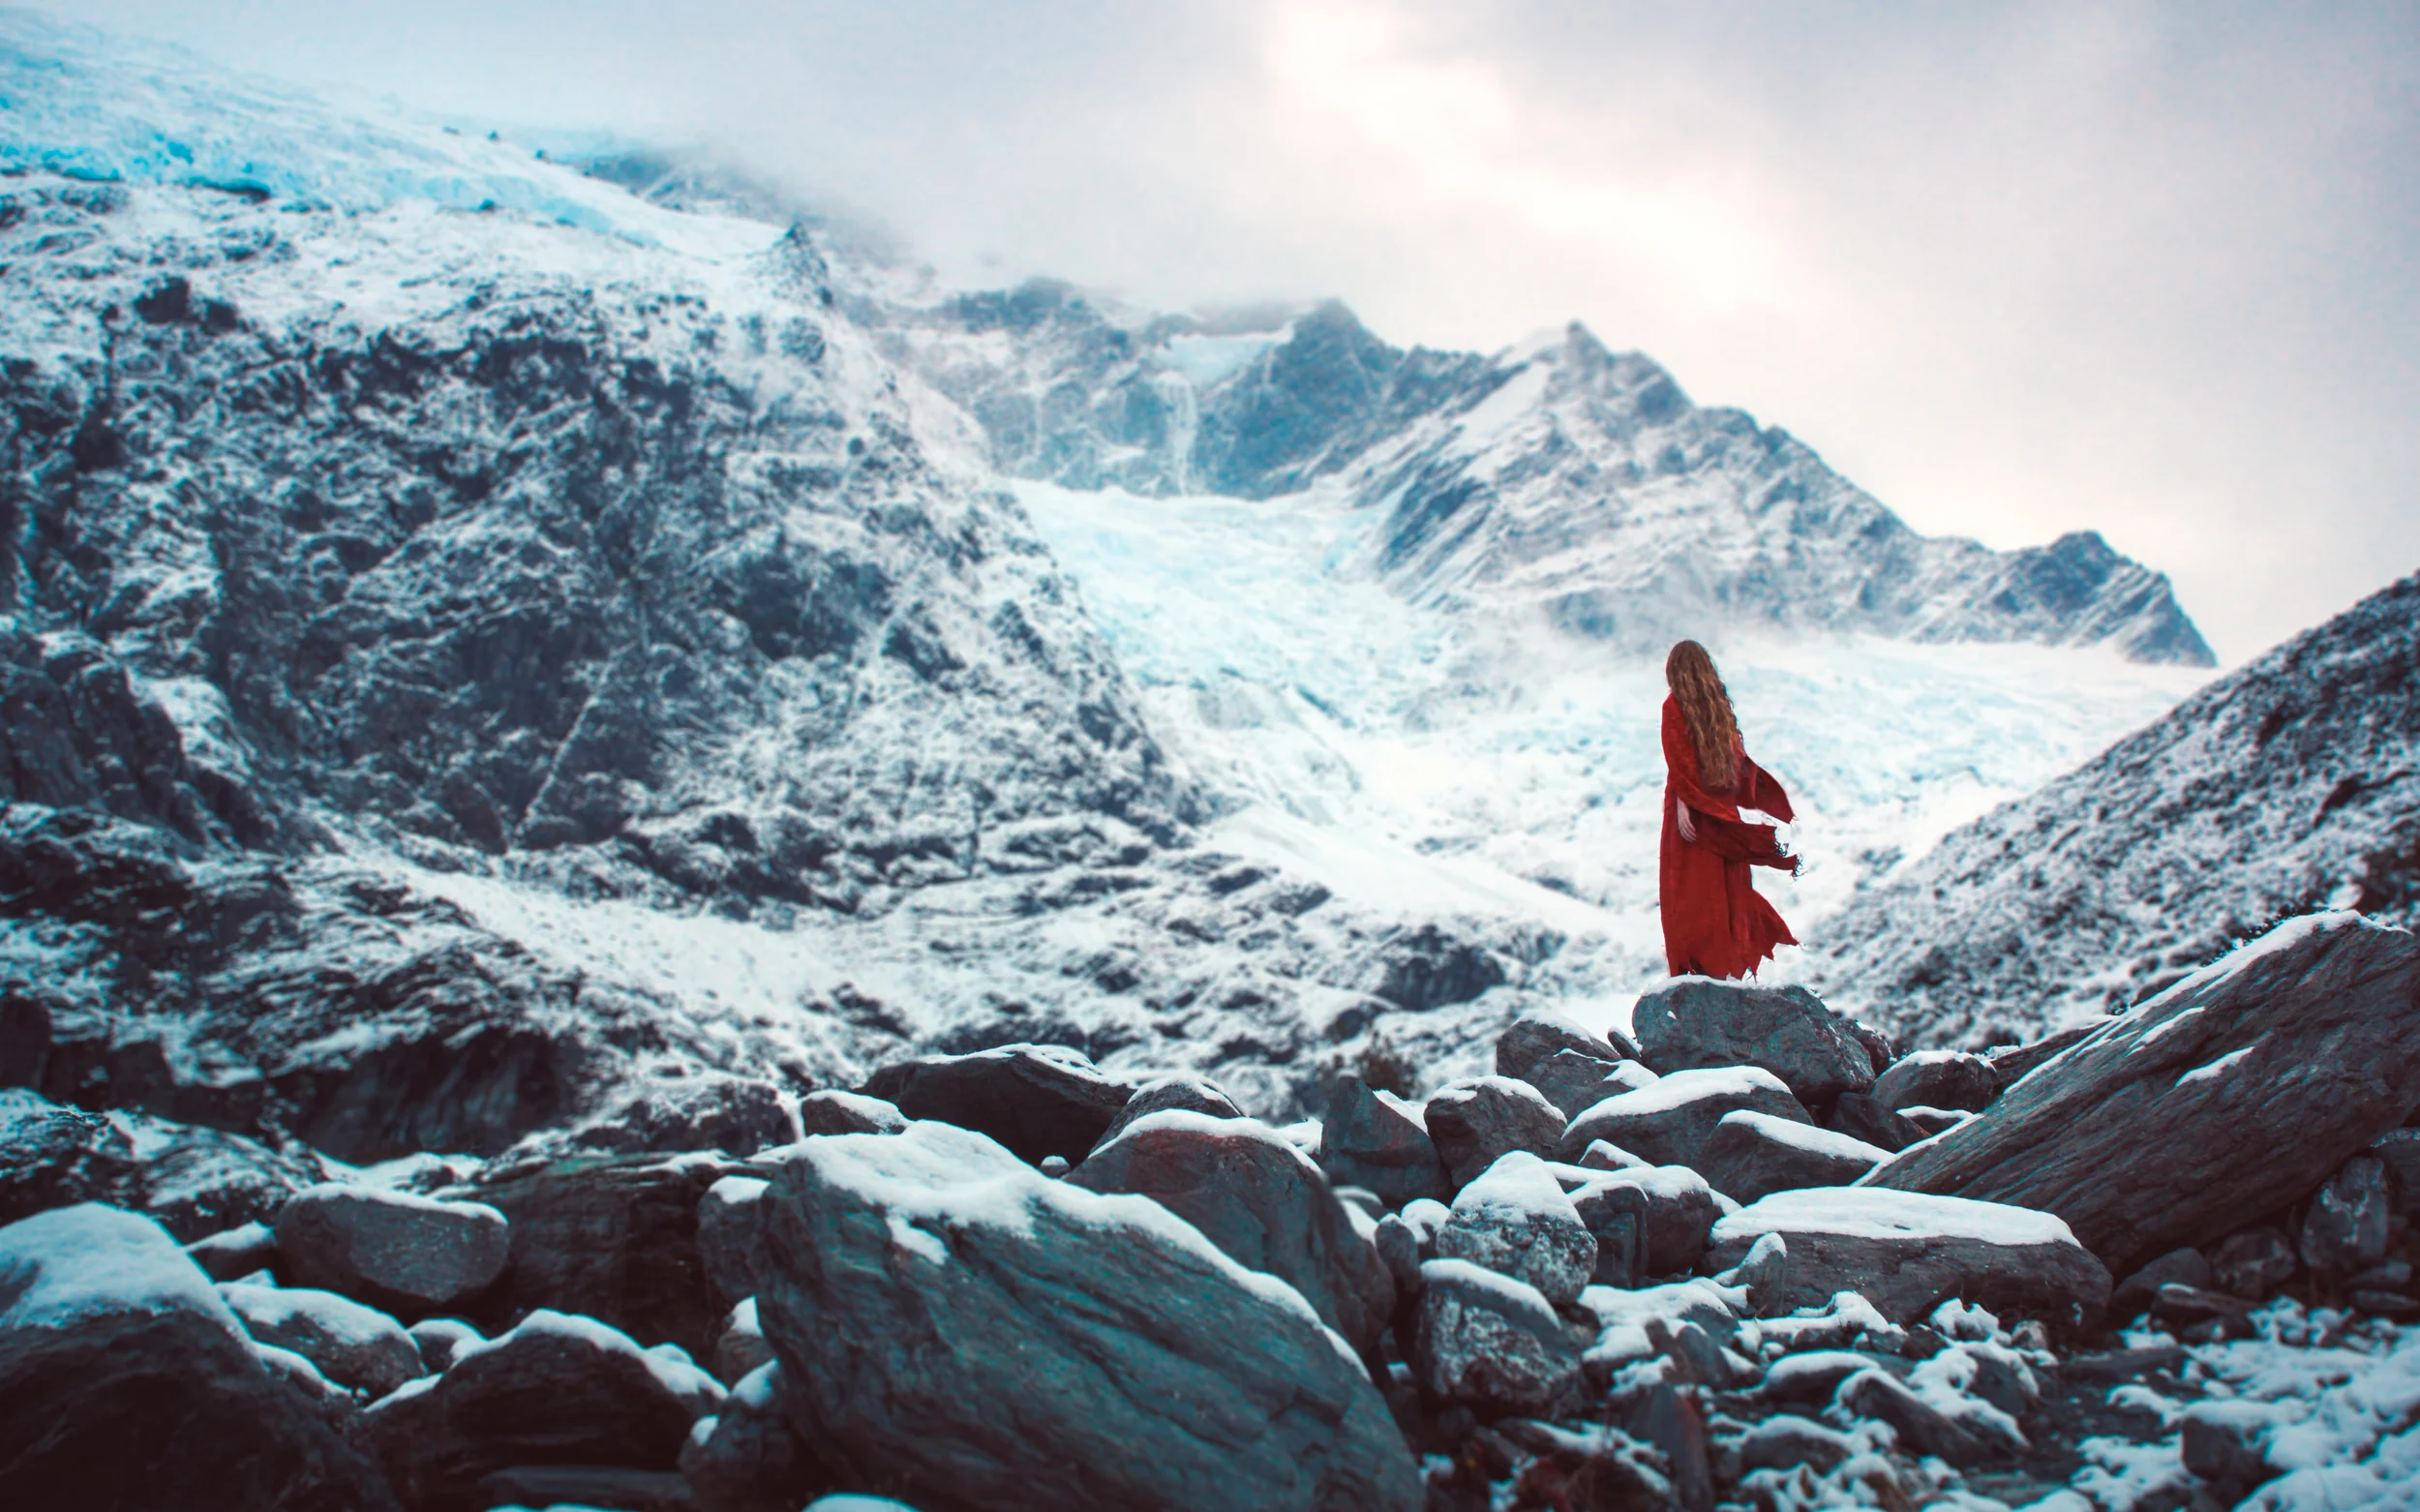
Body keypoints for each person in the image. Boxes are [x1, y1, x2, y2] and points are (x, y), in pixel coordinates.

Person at [1659, 639, 1800, 979]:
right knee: (1726, 890)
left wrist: (1683, 806)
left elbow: (1680, 765)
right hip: (1721, 809)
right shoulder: (1718, 706)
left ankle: (1696, 970)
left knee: (1688, 895)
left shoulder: (1673, 706)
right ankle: (1727, 968)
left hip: (1691, 813)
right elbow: (1734, 763)